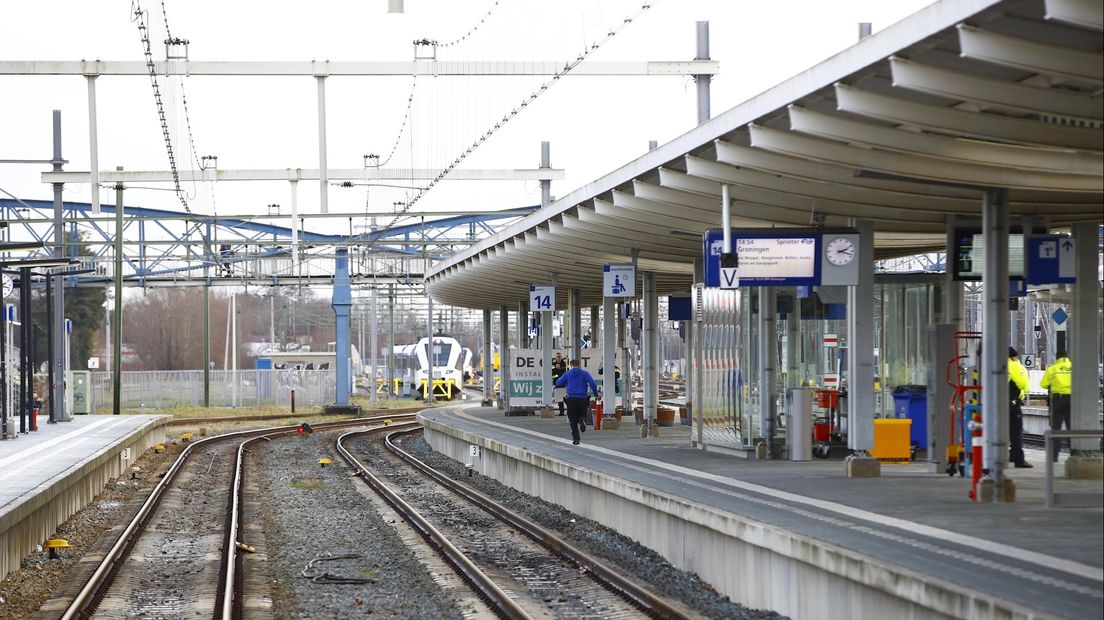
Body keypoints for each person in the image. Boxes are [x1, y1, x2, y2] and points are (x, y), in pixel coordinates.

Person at [555, 358, 599, 445]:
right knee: (582, 414)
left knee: (572, 420)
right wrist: (596, 395)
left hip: (571, 399)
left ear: (570, 365)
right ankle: (582, 419)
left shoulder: (567, 374)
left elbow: (558, 383)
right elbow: (592, 384)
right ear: (579, 365)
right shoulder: (584, 373)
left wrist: (565, 381)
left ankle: (576, 439)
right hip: (582, 399)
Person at [1040, 349, 1072, 462]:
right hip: (1072, 400)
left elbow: (1043, 384)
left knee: (1056, 429)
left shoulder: (1052, 368)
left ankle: (1054, 456)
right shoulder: (1073, 367)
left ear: (1057, 357)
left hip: (1058, 400)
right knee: (1072, 428)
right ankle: (1074, 453)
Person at [1008, 347, 1032, 468]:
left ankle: (1009, 455)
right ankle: (1018, 459)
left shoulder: (993, 365)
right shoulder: (1015, 366)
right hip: (1012, 404)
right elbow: (1023, 384)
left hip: (996, 405)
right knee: (1016, 433)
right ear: (1014, 356)